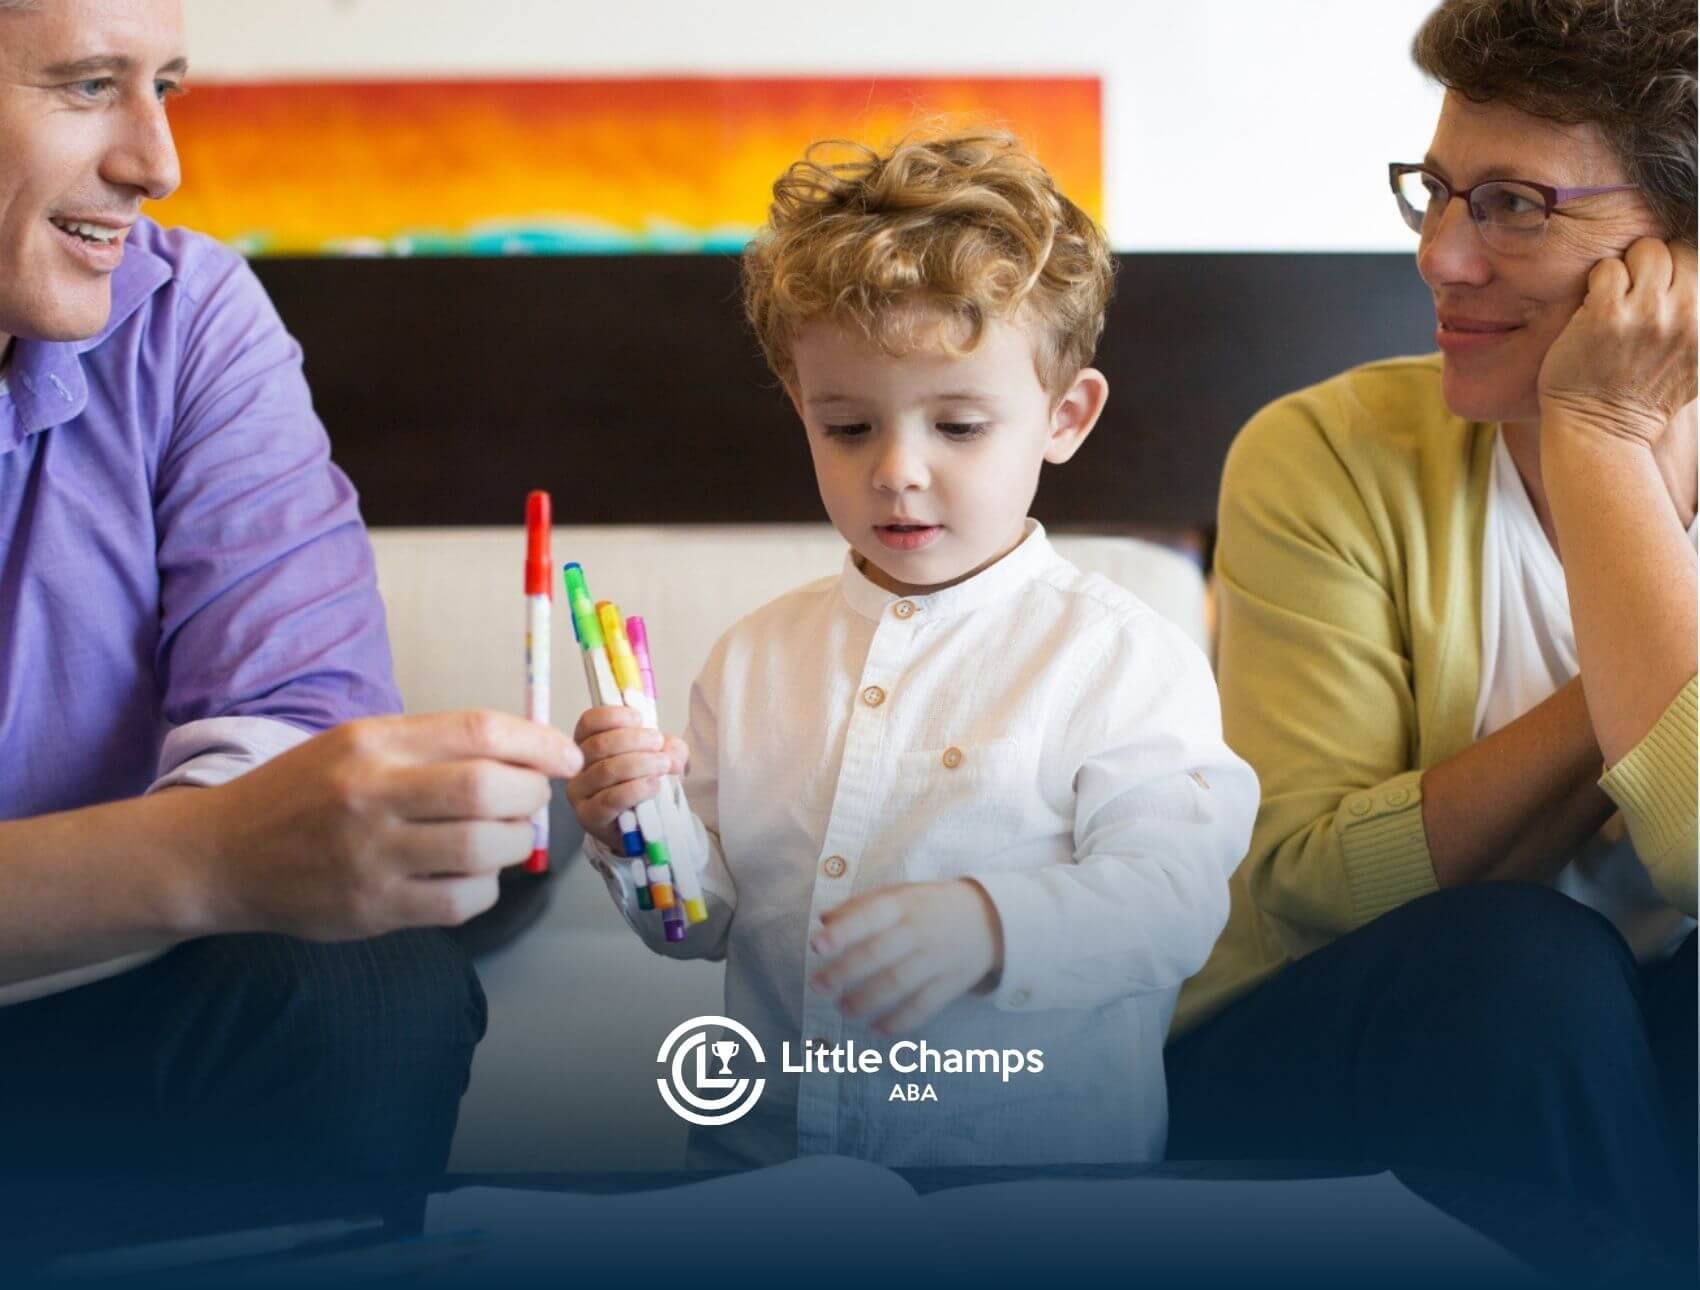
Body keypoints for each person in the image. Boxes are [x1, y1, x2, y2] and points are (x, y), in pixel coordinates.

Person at [568, 130, 1259, 1168]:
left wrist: (991, 924)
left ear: (1064, 417)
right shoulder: (751, 660)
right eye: (848, 429)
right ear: (803, 412)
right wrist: (637, 830)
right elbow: (695, 927)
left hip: (1033, 1191)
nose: (896, 471)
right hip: (772, 1180)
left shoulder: (1124, 658)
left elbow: (1174, 904)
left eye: (959, 426)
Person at [0, 0, 582, 1180]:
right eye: (87, 84)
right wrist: (206, 855)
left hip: (100, 995)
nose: (157, 163)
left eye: (165, 86)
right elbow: (245, 837)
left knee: (369, 980)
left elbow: (288, 756)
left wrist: (280, 842)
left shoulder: (185, 314)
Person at [1165, 0, 1697, 1265]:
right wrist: (1598, 441)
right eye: (1436, 191)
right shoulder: (1324, 455)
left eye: (1512, 205)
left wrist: (1601, 457)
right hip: (1330, 1040)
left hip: (1630, 1068)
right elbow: (1306, 887)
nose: (1439, 257)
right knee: (1523, 964)